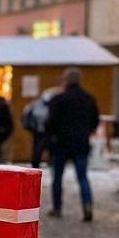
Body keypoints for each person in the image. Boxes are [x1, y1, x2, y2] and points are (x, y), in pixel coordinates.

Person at [46, 67, 101, 222]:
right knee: (82, 177)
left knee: (57, 177)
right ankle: (87, 205)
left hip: (61, 143)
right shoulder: (88, 99)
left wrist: (52, 137)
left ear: (66, 80)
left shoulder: (59, 99)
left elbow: (50, 123)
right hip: (81, 143)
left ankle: (57, 208)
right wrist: (86, 132)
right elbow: (95, 121)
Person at [21, 88, 56, 168]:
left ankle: (38, 165)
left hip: (40, 131)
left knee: (39, 150)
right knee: (41, 150)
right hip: (42, 131)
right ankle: (41, 165)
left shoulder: (35, 104)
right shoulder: (40, 105)